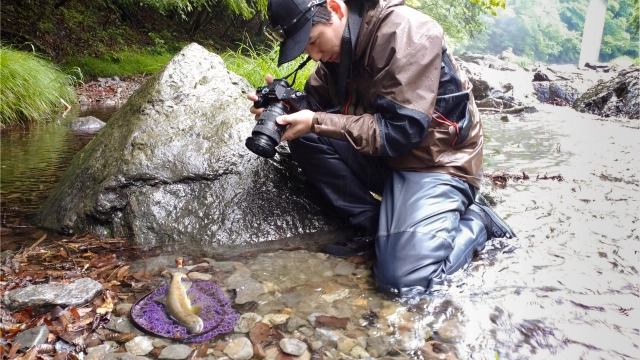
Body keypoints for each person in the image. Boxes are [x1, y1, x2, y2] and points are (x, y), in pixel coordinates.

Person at [249, 0, 516, 296]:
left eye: (313, 41)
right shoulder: (337, 52)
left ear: (336, 9)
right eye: (305, 48)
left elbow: (401, 131)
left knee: (404, 283)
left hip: (437, 163)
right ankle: (374, 227)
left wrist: (315, 121)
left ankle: (477, 221)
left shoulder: (409, 32)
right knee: (301, 132)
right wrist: (285, 108)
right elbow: (317, 108)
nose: (313, 55)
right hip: (387, 159)